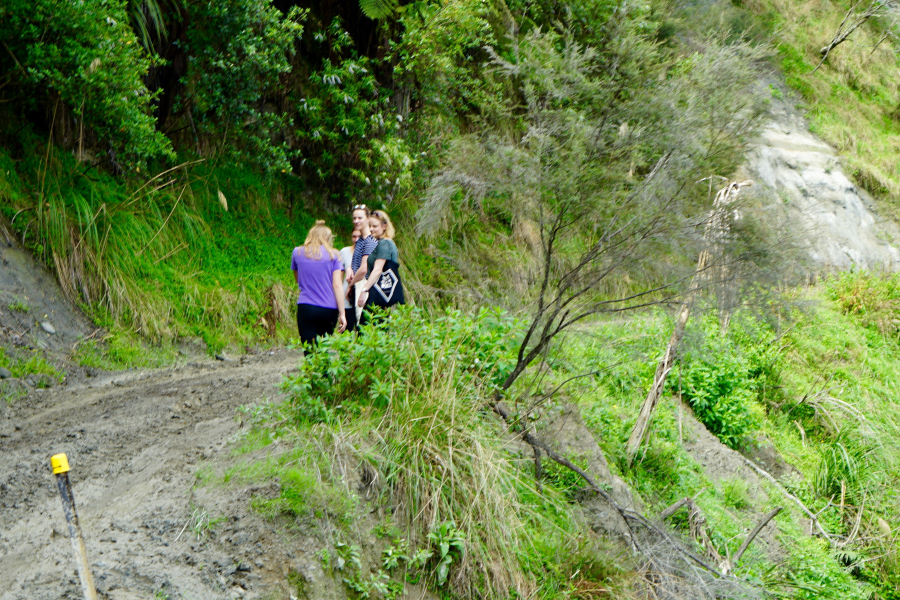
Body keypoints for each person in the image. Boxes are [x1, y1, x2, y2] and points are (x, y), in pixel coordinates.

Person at [290, 220, 347, 347]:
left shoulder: (297, 252)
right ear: (327, 237)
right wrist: (342, 313)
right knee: (323, 349)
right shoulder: (334, 255)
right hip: (329, 308)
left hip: (306, 306)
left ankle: (310, 367)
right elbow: (337, 284)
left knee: (309, 348)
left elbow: (298, 279)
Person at [358, 209, 405, 319]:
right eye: (369, 226)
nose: (370, 229)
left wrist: (364, 290)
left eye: (374, 226)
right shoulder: (382, 242)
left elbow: (378, 269)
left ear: (384, 226)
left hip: (380, 292)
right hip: (380, 292)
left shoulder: (384, 244)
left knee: (367, 327)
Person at [346, 204, 377, 331]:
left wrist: (349, 285)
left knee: (362, 325)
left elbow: (364, 268)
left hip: (364, 284)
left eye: (360, 218)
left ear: (367, 218)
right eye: (354, 218)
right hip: (358, 284)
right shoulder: (361, 240)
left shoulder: (369, 241)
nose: (356, 221)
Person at [339, 230, 360, 331]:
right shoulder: (344, 251)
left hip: (360, 294)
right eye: (354, 237)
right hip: (346, 295)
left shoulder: (369, 252)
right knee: (347, 330)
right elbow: (339, 277)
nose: (356, 240)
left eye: (359, 237)